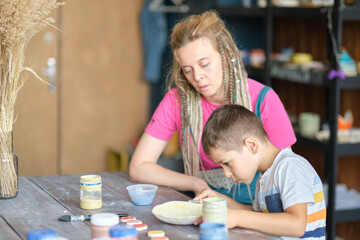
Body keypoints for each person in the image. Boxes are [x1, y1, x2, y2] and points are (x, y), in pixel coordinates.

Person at [129, 10, 296, 205]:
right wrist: (195, 183)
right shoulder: (176, 101)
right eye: (187, 70)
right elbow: (138, 167)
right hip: (203, 205)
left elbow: (287, 173)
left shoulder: (263, 99)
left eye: (205, 64)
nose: (197, 77)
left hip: (258, 209)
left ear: (225, 57)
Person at [194, 104, 326, 239]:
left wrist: (237, 218)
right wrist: (220, 200)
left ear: (251, 146)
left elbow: (297, 225)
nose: (226, 174)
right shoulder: (265, 174)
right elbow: (258, 215)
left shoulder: (290, 167)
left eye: (227, 163)